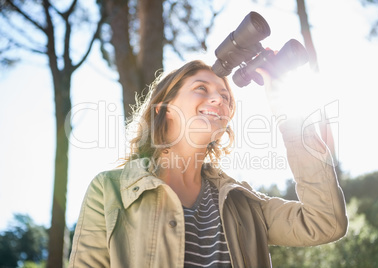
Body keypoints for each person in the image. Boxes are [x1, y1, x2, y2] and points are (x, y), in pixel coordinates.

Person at [68, 60, 348, 268]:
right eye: (201, 88)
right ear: (164, 109)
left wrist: (288, 114)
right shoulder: (109, 191)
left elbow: (325, 222)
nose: (218, 99)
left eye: (225, 97)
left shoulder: (244, 204)